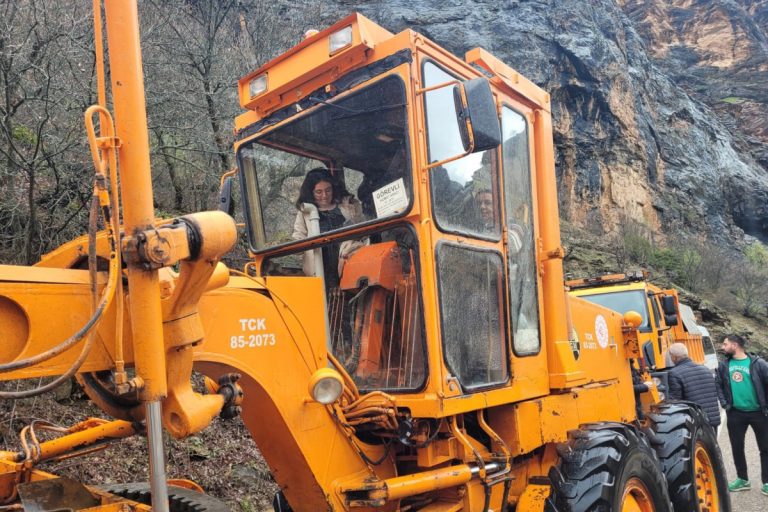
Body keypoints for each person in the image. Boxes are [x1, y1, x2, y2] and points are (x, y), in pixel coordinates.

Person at [714, 334, 768, 495]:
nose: (723, 347)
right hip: (736, 413)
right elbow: (718, 385)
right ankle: (743, 479)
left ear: (735, 345)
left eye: (725, 344)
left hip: (759, 413)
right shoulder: (724, 365)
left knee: (765, 448)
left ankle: (767, 482)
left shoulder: (758, 364)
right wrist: (725, 404)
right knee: (737, 447)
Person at [292, 168, 362, 288]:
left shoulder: (349, 206)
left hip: (348, 262)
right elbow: (299, 237)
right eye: (319, 192)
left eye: (328, 190)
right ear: (311, 192)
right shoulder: (304, 212)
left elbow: (363, 230)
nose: (324, 195)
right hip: (319, 270)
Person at [667, 342, 721, 431]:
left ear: (674, 357)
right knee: (712, 444)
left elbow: (675, 400)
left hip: (696, 421)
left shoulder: (674, 373)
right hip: (712, 418)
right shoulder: (705, 369)